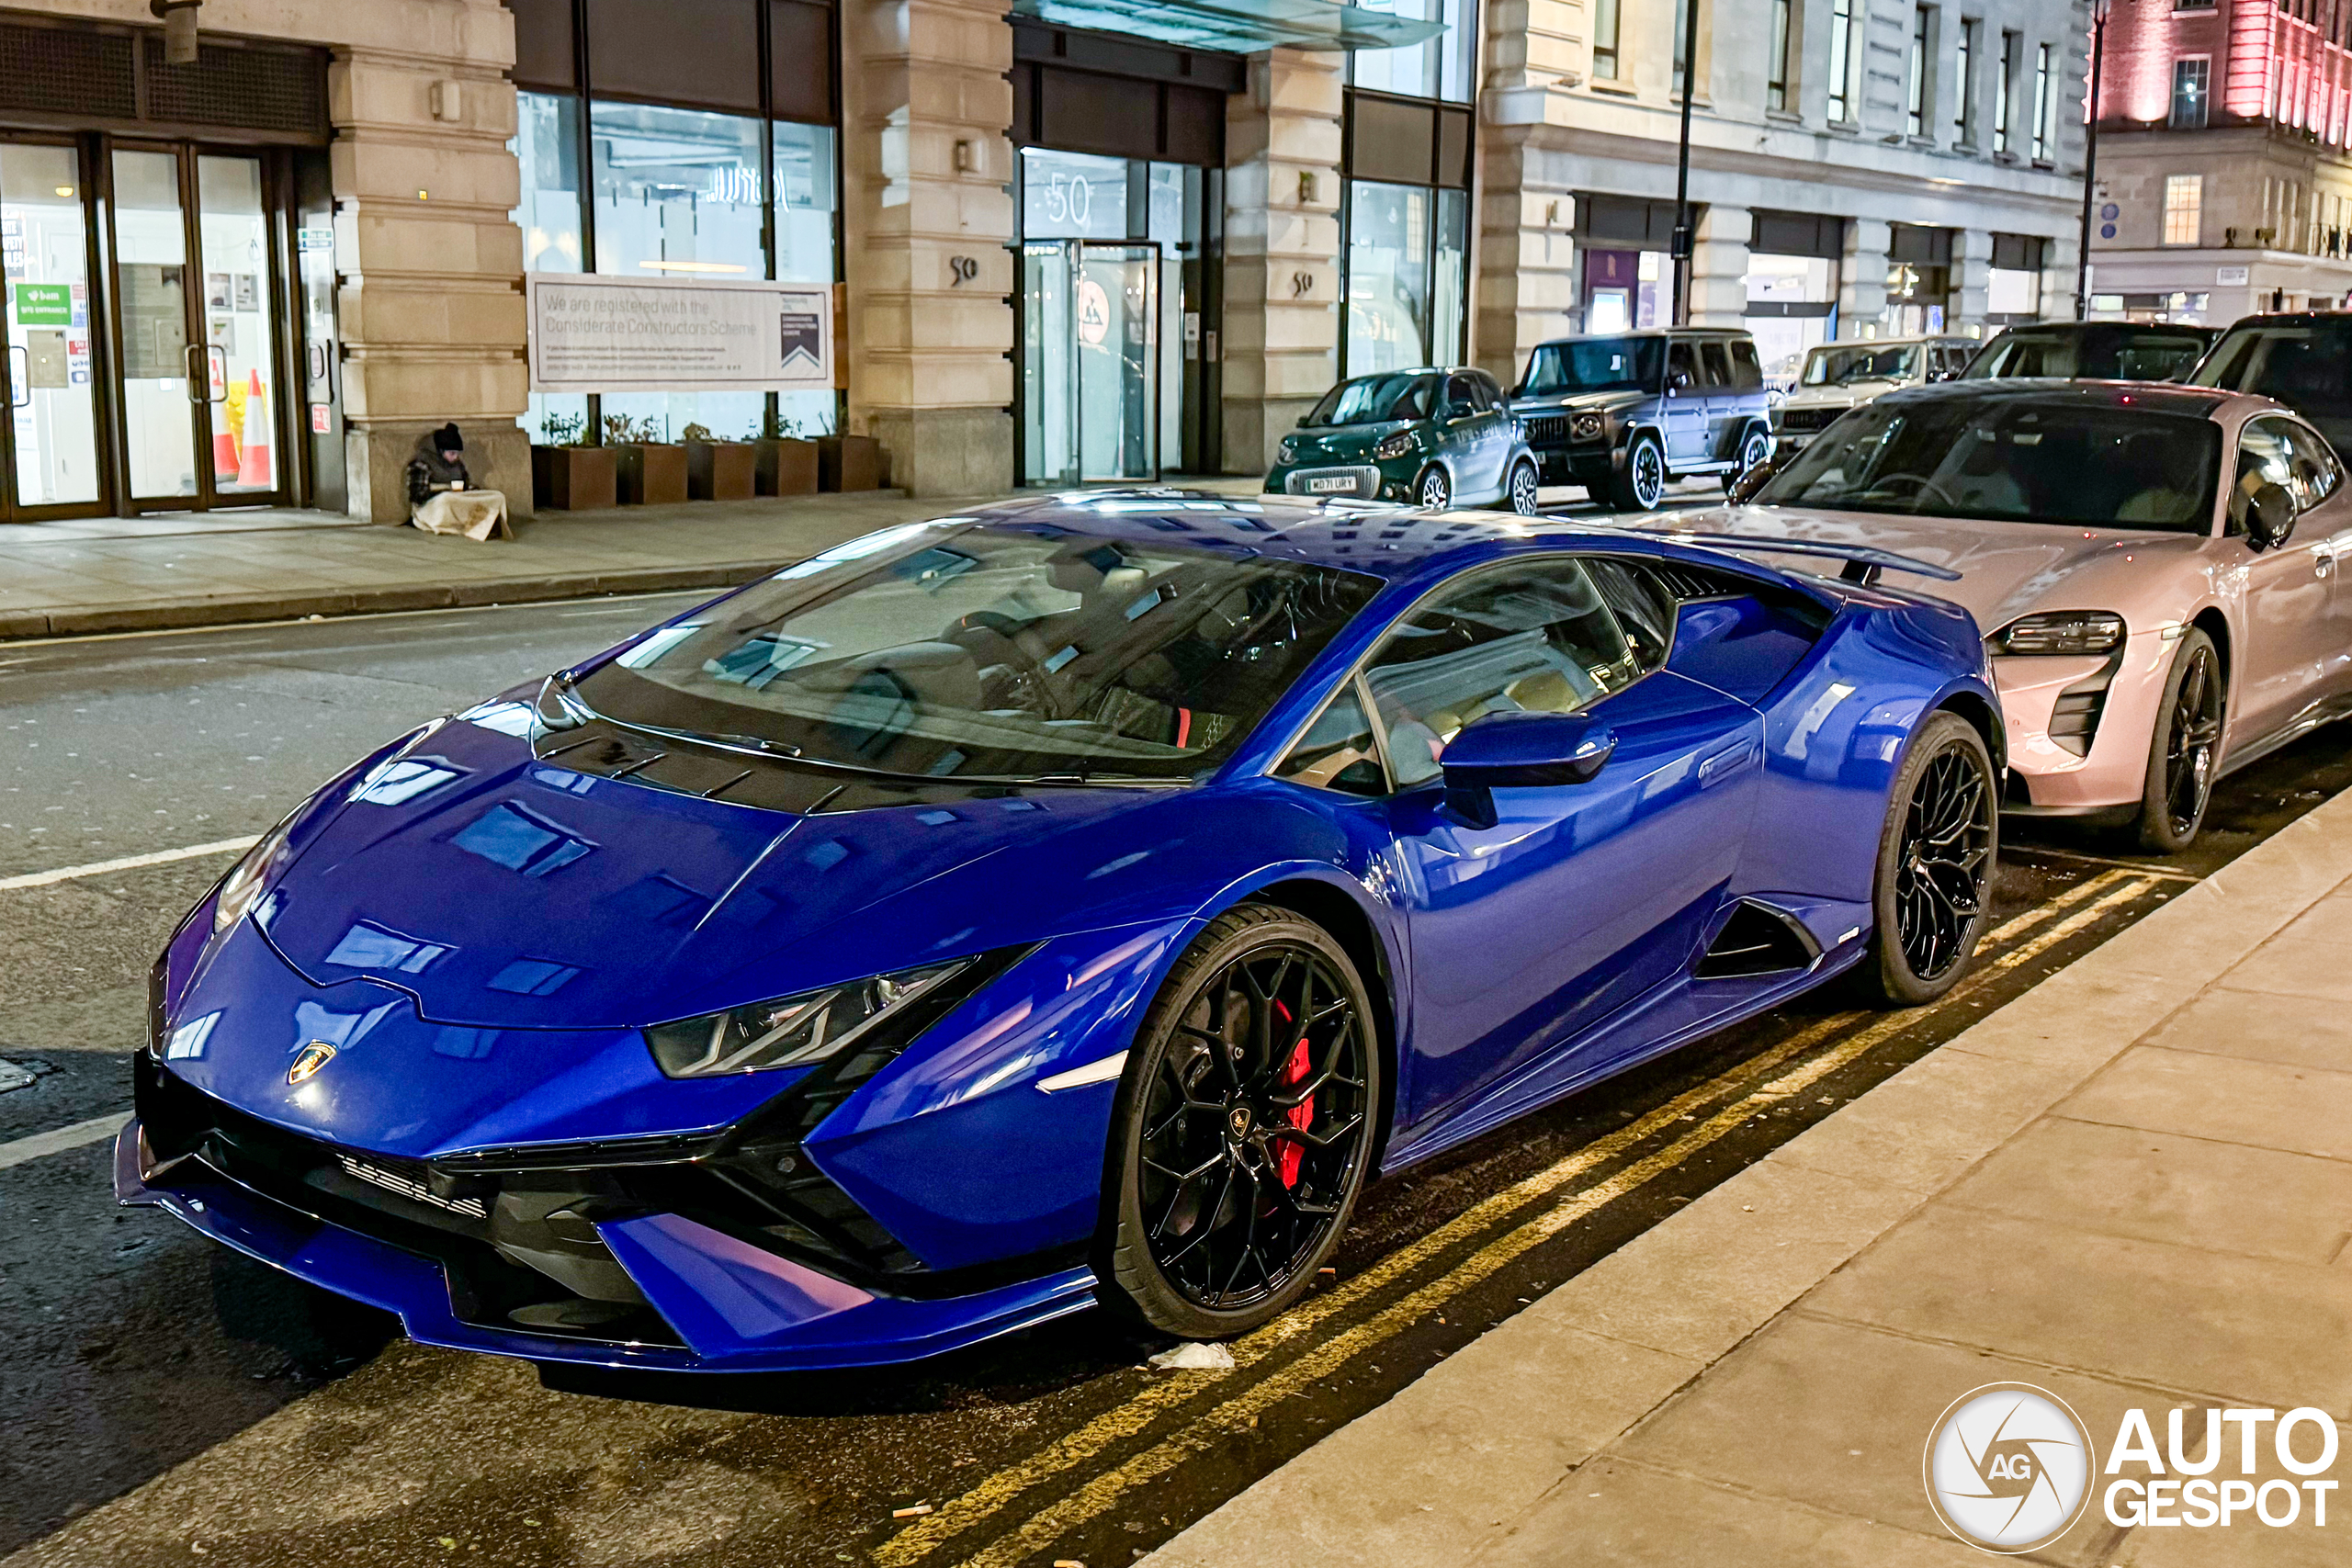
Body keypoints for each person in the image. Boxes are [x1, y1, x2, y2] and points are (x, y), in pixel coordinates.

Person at [406, 423, 511, 541]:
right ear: (441, 451)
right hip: (434, 504)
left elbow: (465, 486)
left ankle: (486, 525)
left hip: (457, 497)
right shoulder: (422, 463)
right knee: (446, 499)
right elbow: (417, 497)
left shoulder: (457, 464)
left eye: (457, 454)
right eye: (452, 454)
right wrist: (445, 491)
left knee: (497, 496)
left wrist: (471, 490)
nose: (455, 457)